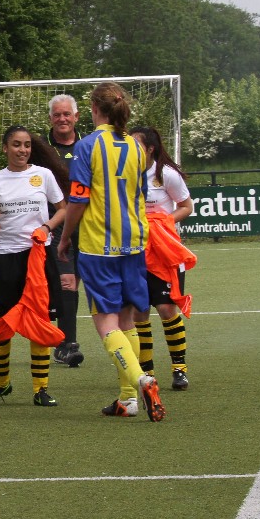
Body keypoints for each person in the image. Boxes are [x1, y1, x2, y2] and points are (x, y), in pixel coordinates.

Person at [58, 83, 165, 421]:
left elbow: (78, 199)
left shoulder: (87, 146)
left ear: (94, 109)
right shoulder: (137, 148)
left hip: (99, 246)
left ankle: (141, 380)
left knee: (106, 322)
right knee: (126, 320)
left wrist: (65, 238)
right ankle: (127, 399)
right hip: (133, 242)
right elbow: (141, 194)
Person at [0, 127, 67, 408]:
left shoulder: (43, 175)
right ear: (5, 148)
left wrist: (46, 227)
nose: (22, 150)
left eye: (26, 145)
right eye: (16, 145)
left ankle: (41, 389)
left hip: (38, 258)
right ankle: (1, 385)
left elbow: (63, 208)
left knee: (39, 323)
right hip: (6, 258)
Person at [131, 126, 194, 391]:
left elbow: (187, 207)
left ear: (150, 149)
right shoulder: (124, 174)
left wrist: (162, 222)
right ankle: (147, 372)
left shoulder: (166, 174)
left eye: (136, 144)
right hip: (135, 252)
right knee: (139, 312)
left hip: (164, 252)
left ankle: (179, 369)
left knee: (167, 309)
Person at [47, 94, 85, 368]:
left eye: (67, 114)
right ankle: (67, 344)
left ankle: (64, 337)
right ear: (51, 118)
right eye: (57, 114)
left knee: (74, 284)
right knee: (66, 282)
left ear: (76, 117)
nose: (62, 119)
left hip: (89, 225)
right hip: (57, 225)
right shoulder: (41, 149)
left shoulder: (89, 146)